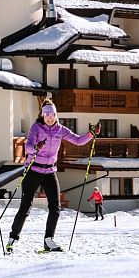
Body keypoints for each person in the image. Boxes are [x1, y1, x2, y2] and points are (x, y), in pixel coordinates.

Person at [7, 100, 99, 253]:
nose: (49, 117)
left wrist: (91, 134)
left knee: (55, 207)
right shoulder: (36, 127)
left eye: (52, 114)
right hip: (33, 170)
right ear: (42, 115)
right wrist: (36, 147)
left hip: (49, 171)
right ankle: (12, 239)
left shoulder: (60, 130)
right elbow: (28, 146)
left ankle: (48, 240)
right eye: (46, 114)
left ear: (56, 115)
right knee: (26, 206)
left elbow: (77, 140)